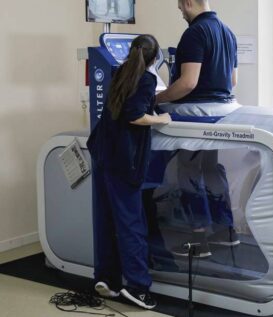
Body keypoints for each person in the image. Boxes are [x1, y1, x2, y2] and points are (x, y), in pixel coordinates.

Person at [87, 34, 171, 310]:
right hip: (124, 162)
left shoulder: (120, 72)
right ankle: (137, 287)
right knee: (131, 223)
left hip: (103, 155)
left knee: (106, 220)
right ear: (154, 58)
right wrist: (161, 118)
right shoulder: (146, 80)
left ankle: (107, 279)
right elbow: (135, 115)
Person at [155, 0, 240, 257]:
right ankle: (226, 232)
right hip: (224, 111)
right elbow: (232, 80)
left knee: (189, 170)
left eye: (180, 6)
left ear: (189, 2)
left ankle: (198, 239)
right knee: (211, 167)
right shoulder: (227, 31)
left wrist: (156, 99)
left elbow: (188, 83)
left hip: (198, 113)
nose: (180, 11)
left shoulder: (194, 32)